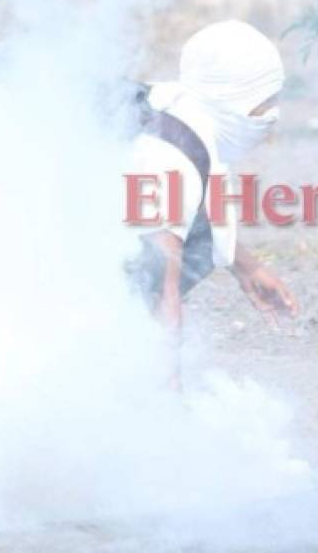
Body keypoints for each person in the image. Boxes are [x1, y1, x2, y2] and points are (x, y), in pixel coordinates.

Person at [127, 19, 299, 337]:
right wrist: (170, 384)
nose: (272, 116)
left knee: (202, 237)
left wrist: (248, 267)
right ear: (234, 98)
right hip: (51, 267)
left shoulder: (178, 106)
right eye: (265, 103)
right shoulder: (169, 160)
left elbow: (203, 211)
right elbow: (163, 295)